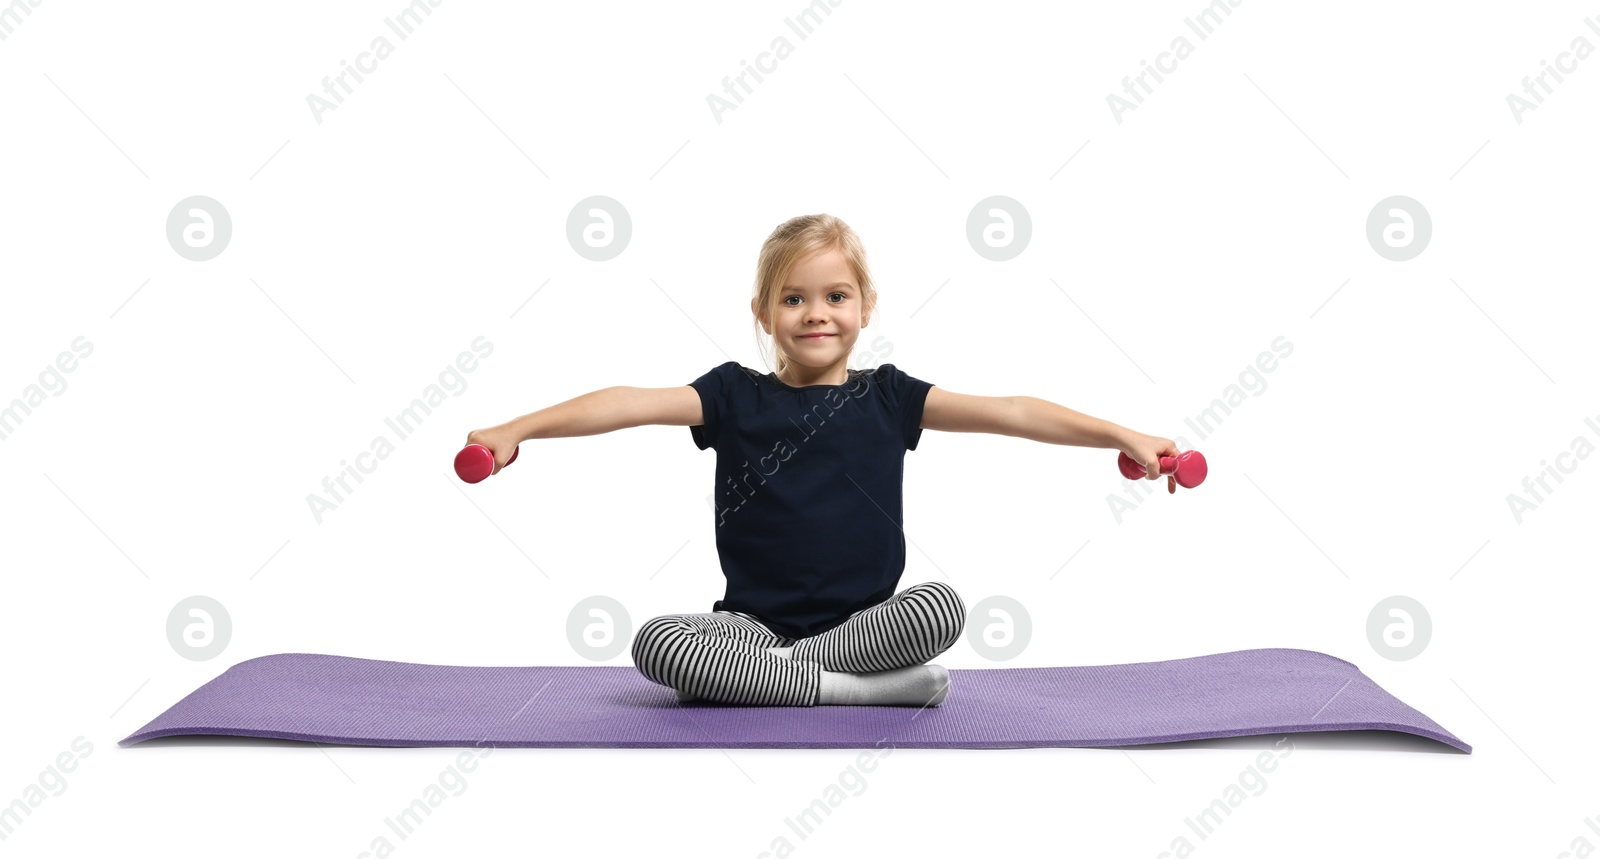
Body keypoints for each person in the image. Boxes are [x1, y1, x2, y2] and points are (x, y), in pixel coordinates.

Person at [463, 213, 1180, 708]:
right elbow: (627, 402)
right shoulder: (732, 396)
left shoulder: (890, 397)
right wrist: (518, 428)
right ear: (764, 310)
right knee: (658, 643)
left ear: (866, 306)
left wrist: (1121, 434)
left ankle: (762, 682)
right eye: (794, 298)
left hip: (868, 625)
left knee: (943, 607)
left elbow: (1015, 412)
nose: (816, 313)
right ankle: (857, 691)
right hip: (754, 626)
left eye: (836, 296)